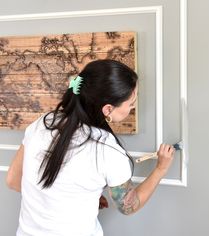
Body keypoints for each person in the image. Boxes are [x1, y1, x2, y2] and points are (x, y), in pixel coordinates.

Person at [6, 59, 175, 236]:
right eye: (131, 104)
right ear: (108, 109)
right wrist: (160, 169)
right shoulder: (107, 150)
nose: (132, 108)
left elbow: (13, 180)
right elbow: (128, 206)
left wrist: (79, 200)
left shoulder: (43, 123)